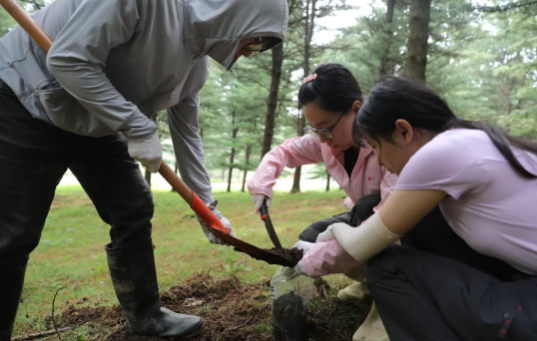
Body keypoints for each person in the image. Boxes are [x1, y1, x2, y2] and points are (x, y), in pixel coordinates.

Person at [0, 0, 288, 339]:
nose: (252, 52)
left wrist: (206, 209)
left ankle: (146, 319)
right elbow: (67, 59)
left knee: (133, 207)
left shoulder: (193, 70)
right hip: (25, 97)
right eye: (256, 41)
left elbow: (188, 138)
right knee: (14, 232)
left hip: (97, 116)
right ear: (236, 14)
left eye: (263, 48)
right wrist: (136, 127)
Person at [288, 77, 537, 341]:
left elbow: (362, 244)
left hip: (527, 301)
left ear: (403, 131)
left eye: (376, 147)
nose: (381, 161)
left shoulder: (439, 152)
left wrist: (333, 231)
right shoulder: (475, 139)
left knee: (388, 267)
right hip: (521, 280)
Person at [247, 63, 397, 341]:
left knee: (363, 219)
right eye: (315, 130)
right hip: (367, 216)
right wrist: (261, 183)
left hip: (399, 228)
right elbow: (285, 151)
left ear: (356, 108)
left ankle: (391, 302)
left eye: (327, 128)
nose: (322, 140)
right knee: (310, 238)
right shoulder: (327, 142)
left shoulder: (388, 145)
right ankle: (373, 285)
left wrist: (314, 262)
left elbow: (389, 223)